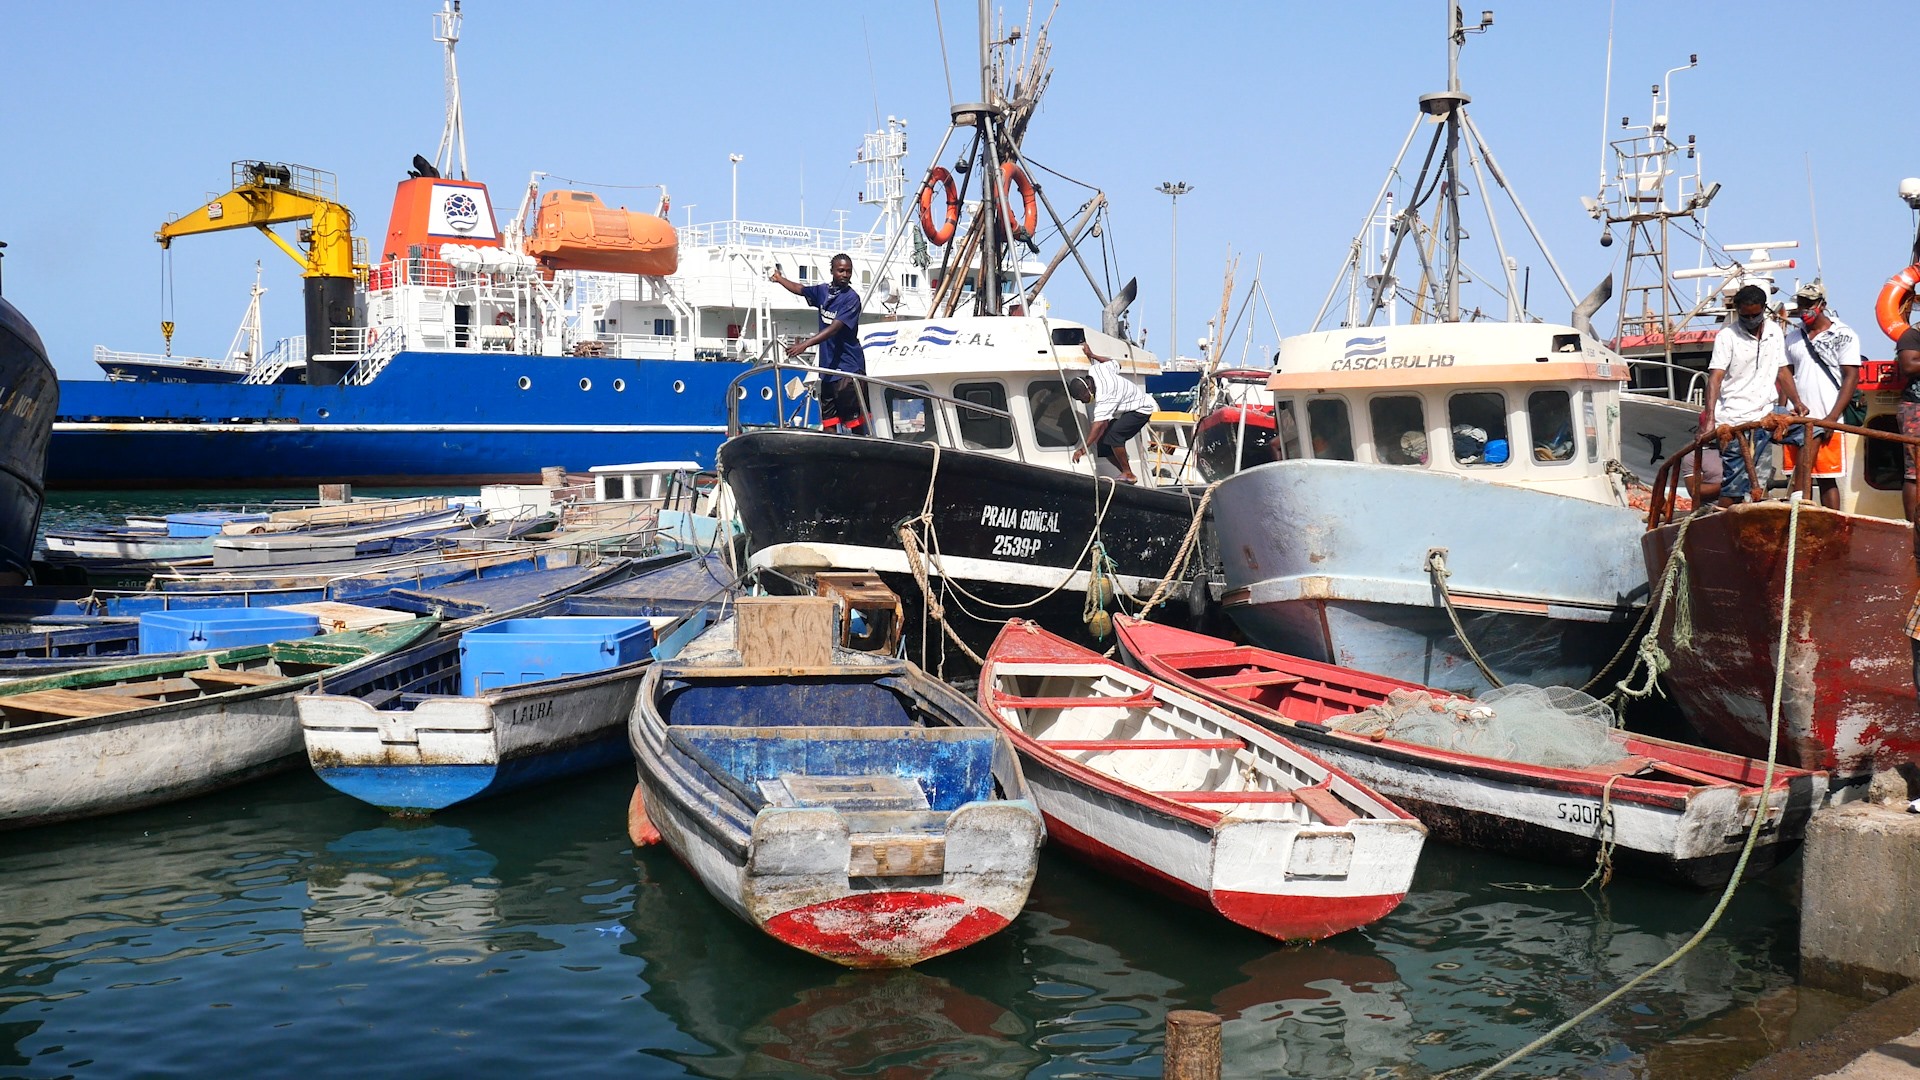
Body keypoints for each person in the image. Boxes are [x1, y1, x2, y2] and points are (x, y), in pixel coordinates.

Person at [1702, 283, 1794, 505]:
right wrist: (1710, 418)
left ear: (1763, 309)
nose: (1751, 320)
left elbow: (1782, 371)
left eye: (1755, 315)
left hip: (1765, 417)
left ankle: (1800, 493)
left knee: (1812, 431)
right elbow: (1715, 378)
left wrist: (1798, 403)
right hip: (1735, 421)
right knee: (1735, 486)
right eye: (1745, 316)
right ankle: (1722, 529)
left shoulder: (1774, 332)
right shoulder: (1727, 336)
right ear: (1738, 312)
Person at [1780, 281, 1861, 509]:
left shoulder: (1844, 334)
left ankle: (1831, 526)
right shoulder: (1793, 337)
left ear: (1822, 305)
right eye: (1801, 303)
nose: (1804, 308)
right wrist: (1783, 409)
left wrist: (1832, 418)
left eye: (1809, 303)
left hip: (1827, 414)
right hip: (1797, 417)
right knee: (1798, 476)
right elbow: (1786, 374)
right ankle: (1801, 523)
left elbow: (1851, 377)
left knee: (1826, 478)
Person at [771, 254, 868, 435]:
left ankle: (860, 456)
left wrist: (805, 344)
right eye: (841, 270)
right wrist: (779, 279)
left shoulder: (851, 299)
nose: (845, 275)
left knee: (854, 423)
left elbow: (834, 328)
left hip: (849, 368)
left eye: (848, 271)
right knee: (829, 422)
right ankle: (833, 458)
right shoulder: (823, 291)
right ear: (832, 271)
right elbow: (801, 289)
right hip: (827, 369)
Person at [1068, 342, 1157, 482]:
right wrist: (1092, 355)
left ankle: (1128, 473)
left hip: (1140, 409)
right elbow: (1113, 363)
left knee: (1114, 436)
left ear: (1087, 391)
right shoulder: (1096, 370)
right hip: (1126, 409)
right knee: (1103, 442)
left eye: (1082, 399)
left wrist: (1082, 450)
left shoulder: (1105, 396)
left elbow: (1097, 425)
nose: (1083, 402)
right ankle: (1126, 473)